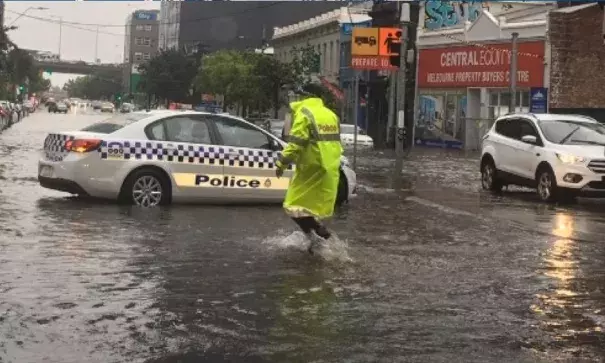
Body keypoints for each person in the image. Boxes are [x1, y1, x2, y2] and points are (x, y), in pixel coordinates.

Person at [275, 88, 343, 254]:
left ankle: (318, 235)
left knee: (293, 205)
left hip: (310, 169)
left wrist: (281, 164)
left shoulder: (304, 113)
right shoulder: (330, 114)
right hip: (329, 168)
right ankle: (315, 241)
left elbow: (295, 144)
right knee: (311, 207)